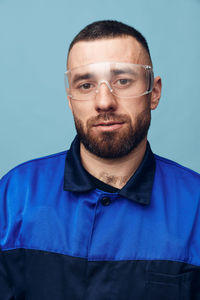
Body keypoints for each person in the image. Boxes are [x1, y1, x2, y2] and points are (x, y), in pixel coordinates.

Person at [0, 20, 200, 300]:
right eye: (85, 84)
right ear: (70, 99)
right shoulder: (14, 195)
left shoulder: (195, 205)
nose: (104, 101)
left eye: (123, 81)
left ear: (154, 93)